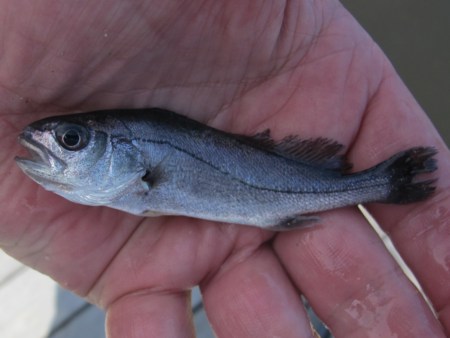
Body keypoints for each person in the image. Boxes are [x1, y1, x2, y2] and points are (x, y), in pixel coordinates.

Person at [1, 1, 448, 337]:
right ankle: (379, 184)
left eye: (72, 140)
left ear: (133, 160)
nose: (53, 146)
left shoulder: (141, 178)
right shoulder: (135, 177)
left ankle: (382, 182)